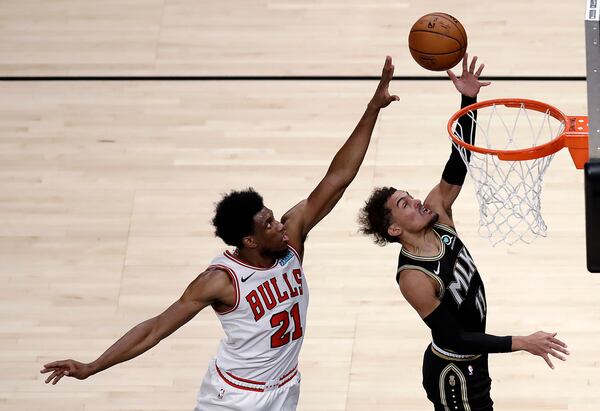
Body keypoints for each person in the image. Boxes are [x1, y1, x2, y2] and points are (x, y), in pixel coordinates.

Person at [40, 57, 399, 411]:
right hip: (234, 398)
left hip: (286, 388)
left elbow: (338, 177)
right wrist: (92, 367)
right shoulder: (220, 281)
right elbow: (155, 329)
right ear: (249, 241)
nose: (279, 225)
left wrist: (373, 108)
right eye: (269, 224)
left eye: (274, 218)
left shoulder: (291, 239)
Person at [357, 54, 569, 411]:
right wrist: (522, 342)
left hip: (473, 358)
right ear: (394, 229)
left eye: (410, 197)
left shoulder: (438, 213)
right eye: (405, 205)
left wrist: (468, 100)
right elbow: (452, 335)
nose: (417, 203)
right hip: (452, 370)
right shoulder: (413, 277)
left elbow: (459, 161)